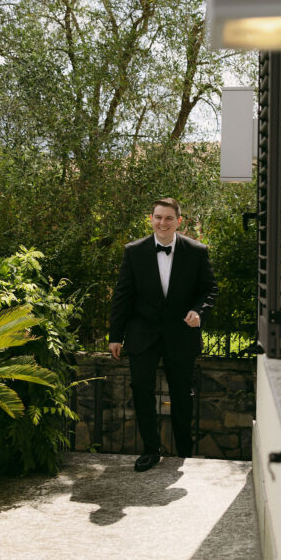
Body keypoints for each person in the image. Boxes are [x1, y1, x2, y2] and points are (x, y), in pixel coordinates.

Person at [109, 198, 218, 472]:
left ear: (178, 221)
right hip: (141, 335)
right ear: (151, 219)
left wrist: (198, 311)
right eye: (158, 217)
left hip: (181, 335)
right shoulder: (134, 251)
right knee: (142, 391)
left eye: (169, 218)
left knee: (182, 394)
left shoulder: (196, 251)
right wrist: (115, 336)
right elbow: (123, 295)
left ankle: (183, 451)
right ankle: (150, 450)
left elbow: (209, 289)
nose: (163, 223)